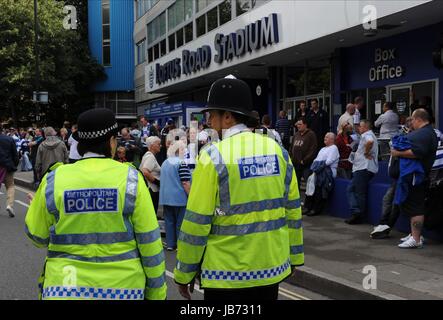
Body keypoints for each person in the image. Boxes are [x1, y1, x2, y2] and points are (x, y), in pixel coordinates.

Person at [174, 76, 303, 301]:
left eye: (212, 114)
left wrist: (184, 272)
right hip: (271, 269)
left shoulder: (213, 156)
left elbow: (197, 221)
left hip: (225, 274)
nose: (209, 120)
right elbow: (292, 209)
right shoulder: (278, 152)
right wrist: (294, 256)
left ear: (227, 116)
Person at [24, 108, 166, 300]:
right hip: (124, 290)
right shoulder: (131, 179)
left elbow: (37, 237)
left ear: (80, 143)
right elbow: (150, 243)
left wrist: (35, 209)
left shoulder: (54, 179)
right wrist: (157, 294)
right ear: (111, 142)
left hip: (64, 289)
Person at [391, 109, 438, 248]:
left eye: (412, 119)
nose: (411, 122)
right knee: (410, 206)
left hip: (416, 177)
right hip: (413, 176)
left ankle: (416, 239)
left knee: (415, 207)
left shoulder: (424, 133)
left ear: (418, 119)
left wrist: (397, 152)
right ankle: (414, 234)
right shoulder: (425, 132)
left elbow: (418, 152)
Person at [159, 140, 191, 251]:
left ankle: (170, 244)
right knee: (180, 223)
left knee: (169, 221)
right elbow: (185, 182)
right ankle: (179, 244)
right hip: (179, 198)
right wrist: (191, 196)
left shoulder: (165, 163)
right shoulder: (181, 163)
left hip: (166, 197)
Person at [345, 120, 379, 224]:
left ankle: (358, 214)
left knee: (358, 192)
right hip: (362, 167)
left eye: (360, 126)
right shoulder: (368, 135)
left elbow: (370, 142)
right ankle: (357, 213)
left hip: (363, 167)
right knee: (353, 190)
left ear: (365, 127)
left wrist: (366, 152)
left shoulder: (367, 134)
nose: (358, 128)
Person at [303, 133, 339, 216]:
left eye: (327, 137)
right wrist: (315, 166)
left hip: (327, 172)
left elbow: (329, 161)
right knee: (310, 186)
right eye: (325, 136)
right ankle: (307, 207)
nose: (325, 138)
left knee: (318, 187)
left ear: (332, 139)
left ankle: (316, 209)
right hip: (318, 170)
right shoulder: (322, 149)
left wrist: (318, 165)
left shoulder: (334, 148)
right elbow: (316, 159)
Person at [290, 117, 318, 189]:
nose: (298, 126)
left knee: (308, 184)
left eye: (300, 124)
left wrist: (304, 160)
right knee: (295, 184)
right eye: (297, 124)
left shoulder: (311, 134)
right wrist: (291, 158)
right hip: (296, 164)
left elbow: (313, 150)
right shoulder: (296, 134)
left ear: (305, 125)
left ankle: (309, 200)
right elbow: (291, 147)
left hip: (306, 165)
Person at [0, 124, 19, 217]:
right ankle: (9, 205)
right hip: (7, 166)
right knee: (10, 186)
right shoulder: (9, 139)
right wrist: (15, 164)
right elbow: (15, 154)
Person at [140, 136, 162, 214]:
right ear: (152, 145)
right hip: (151, 190)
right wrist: (157, 182)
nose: (160, 145)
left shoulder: (148, 155)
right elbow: (145, 172)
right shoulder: (150, 157)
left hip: (151, 189)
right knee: (152, 213)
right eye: (158, 144)